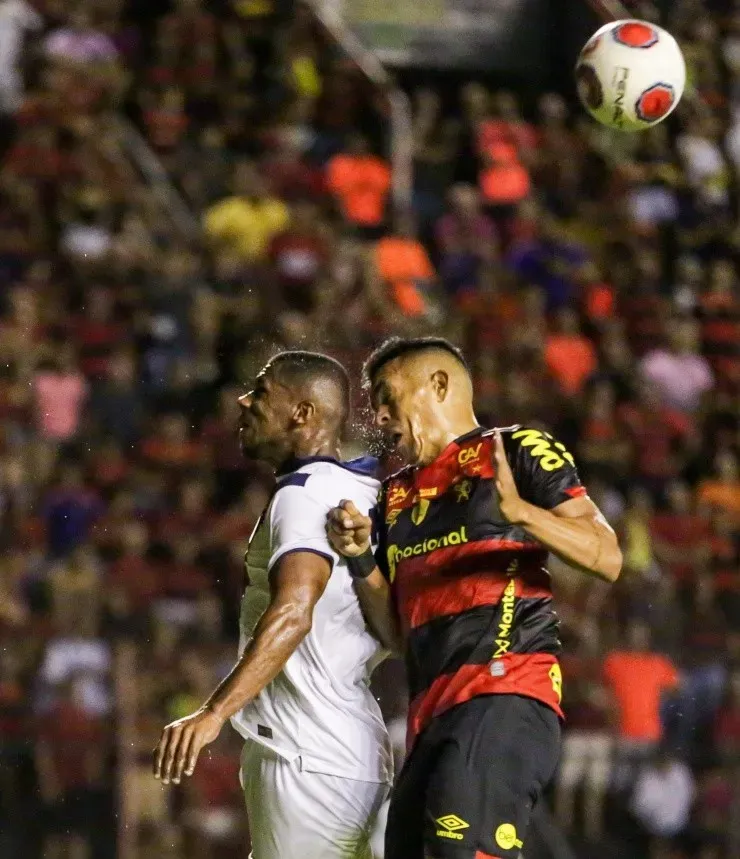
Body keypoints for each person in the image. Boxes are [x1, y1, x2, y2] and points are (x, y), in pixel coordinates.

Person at [326, 336, 622, 859]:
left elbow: (606, 556)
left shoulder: (515, 449)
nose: (380, 414)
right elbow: (398, 634)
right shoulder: (396, 496)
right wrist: (361, 559)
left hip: (504, 694)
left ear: (438, 385)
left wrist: (526, 514)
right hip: (431, 715)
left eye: (389, 395)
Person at [153, 351, 392, 859]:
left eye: (262, 392)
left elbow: (293, 611)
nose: (244, 400)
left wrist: (214, 713)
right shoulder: (360, 488)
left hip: (305, 754)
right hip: (350, 749)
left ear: (301, 413)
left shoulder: (304, 496)